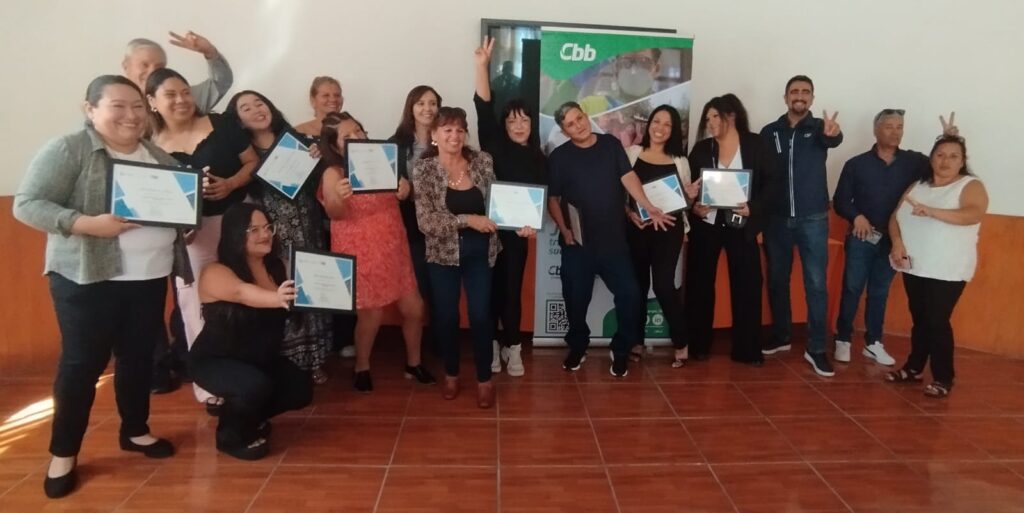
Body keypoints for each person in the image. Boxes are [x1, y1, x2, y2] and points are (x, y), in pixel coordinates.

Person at [13, 75, 188, 498]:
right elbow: (27, 204)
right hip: (87, 278)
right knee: (82, 365)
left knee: (137, 358)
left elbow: (174, 209)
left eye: (138, 107)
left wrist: (188, 213)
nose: (131, 115)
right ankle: (63, 452)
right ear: (90, 109)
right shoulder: (70, 148)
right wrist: (86, 223)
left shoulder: (158, 156)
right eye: (118, 106)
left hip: (148, 276)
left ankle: (135, 430)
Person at [147, 68, 259, 406]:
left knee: (248, 294)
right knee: (195, 303)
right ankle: (209, 384)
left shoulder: (221, 124)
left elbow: (252, 162)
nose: (182, 99)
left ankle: (250, 372)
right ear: (152, 101)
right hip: (192, 235)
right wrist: (181, 223)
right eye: (171, 94)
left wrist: (230, 184)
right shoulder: (148, 146)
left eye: (185, 91)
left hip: (239, 221)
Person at [546, 101, 674, 378]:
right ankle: (578, 346)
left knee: (630, 295)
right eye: (570, 124)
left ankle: (621, 348)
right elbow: (553, 200)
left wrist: (648, 206)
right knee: (575, 299)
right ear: (564, 131)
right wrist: (565, 230)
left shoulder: (610, 145)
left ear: (586, 116)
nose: (578, 125)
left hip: (614, 243)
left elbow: (628, 178)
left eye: (579, 118)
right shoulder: (559, 157)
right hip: (577, 245)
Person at [413, 106, 527, 408]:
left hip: (481, 253)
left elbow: (500, 205)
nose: (455, 136)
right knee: (447, 317)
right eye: (447, 130)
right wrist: (467, 220)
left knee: (480, 316)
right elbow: (426, 222)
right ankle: (451, 374)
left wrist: (522, 221)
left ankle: (484, 380)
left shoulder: (482, 161)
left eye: (460, 130)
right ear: (434, 135)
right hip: (442, 255)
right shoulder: (424, 170)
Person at [318, 111, 436, 392]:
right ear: (335, 145)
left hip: (393, 245)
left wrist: (404, 189)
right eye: (347, 136)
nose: (356, 137)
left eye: (358, 130)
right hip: (361, 250)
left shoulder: (383, 157)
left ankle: (414, 363)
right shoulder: (334, 172)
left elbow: (402, 192)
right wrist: (339, 197)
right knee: (370, 315)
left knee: (414, 308)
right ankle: (362, 366)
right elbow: (334, 213)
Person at [832, 110, 959, 365]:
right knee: (852, 288)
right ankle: (843, 339)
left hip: (896, 239)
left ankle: (873, 342)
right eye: (889, 126)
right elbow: (840, 201)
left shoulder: (915, 162)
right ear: (876, 130)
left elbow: (944, 167)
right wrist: (856, 216)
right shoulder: (856, 164)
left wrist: (948, 139)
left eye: (900, 126)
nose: (895, 132)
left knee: (880, 291)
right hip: (862, 237)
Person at [224, 90, 333, 382]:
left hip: (309, 226)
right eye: (246, 108)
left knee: (313, 286)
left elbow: (320, 185)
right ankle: (287, 362)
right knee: (282, 289)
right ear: (239, 120)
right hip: (271, 234)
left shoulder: (298, 141)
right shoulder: (245, 157)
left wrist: (319, 156)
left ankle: (315, 360)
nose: (256, 110)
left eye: (260, 103)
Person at [190, 203, 313, 459]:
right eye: (254, 230)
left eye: (268, 227)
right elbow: (241, 293)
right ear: (235, 234)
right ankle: (229, 437)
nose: (265, 234)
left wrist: (343, 300)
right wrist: (277, 298)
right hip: (215, 360)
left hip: (258, 359)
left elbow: (309, 295)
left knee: (300, 388)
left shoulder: (278, 268)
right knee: (253, 386)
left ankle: (248, 416)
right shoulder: (215, 271)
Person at [887, 133, 987, 398]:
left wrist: (932, 211)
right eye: (940, 155)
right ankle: (914, 368)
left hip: (947, 269)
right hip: (915, 265)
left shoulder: (970, 185)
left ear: (962, 161)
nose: (945, 161)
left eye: (953, 156)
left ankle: (943, 377)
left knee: (937, 321)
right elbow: (895, 217)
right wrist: (897, 243)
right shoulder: (918, 185)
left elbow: (973, 213)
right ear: (931, 158)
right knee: (920, 319)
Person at [759, 75, 843, 377]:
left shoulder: (821, 128)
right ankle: (782, 336)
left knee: (816, 285)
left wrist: (833, 133)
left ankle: (816, 348)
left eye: (805, 92)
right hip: (776, 219)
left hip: (813, 219)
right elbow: (760, 171)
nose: (799, 96)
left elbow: (834, 139)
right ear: (785, 98)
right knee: (777, 280)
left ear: (812, 98)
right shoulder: (769, 132)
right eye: (794, 91)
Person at [474, 36, 545, 377]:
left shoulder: (539, 159)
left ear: (532, 125)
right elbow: (483, 106)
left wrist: (532, 226)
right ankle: (491, 344)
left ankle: (512, 346)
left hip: (517, 236)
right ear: (504, 124)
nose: (518, 126)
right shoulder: (493, 145)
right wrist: (481, 66)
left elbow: (539, 201)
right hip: (486, 232)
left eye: (525, 120)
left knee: (512, 293)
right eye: (513, 120)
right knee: (488, 292)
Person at [685, 94, 774, 365]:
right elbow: (690, 188)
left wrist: (753, 208)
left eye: (715, 116)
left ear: (732, 116)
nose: (710, 123)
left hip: (741, 225)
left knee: (748, 284)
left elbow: (772, 185)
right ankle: (698, 345)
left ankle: (747, 349)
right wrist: (695, 207)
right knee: (699, 284)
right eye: (707, 118)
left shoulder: (755, 144)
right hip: (707, 225)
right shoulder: (702, 149)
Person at [623, 105, 698, 367]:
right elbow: (621, 194)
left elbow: (685, 202)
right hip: (638, 228)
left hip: (669, 229)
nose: (660, 128)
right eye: (657, 121)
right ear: (649, 124)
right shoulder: (632, 153)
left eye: (667, 124)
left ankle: (681, 341)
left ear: (674, 130)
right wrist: (629, 215)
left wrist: (690, 196)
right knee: (637, 286)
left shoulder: (680, 161)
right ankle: (636, 341)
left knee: (664, 285)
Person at [391, 86, 442, 334]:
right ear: (411, 108)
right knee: (418, 285)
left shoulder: (447, 138)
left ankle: (440, 341)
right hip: (409, 225)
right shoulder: (394, 144)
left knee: (440, 287)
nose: (427, 109)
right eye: (421, 103)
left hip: (441, 225)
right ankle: (418, 344)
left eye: (432, 103)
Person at [121, 31, 233, 114]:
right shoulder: (115, 104)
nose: (152, 71)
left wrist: (210, 52)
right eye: (145, 65)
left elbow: (221, 83)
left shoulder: (183, 100)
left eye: (159, 66)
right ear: (126, 66)